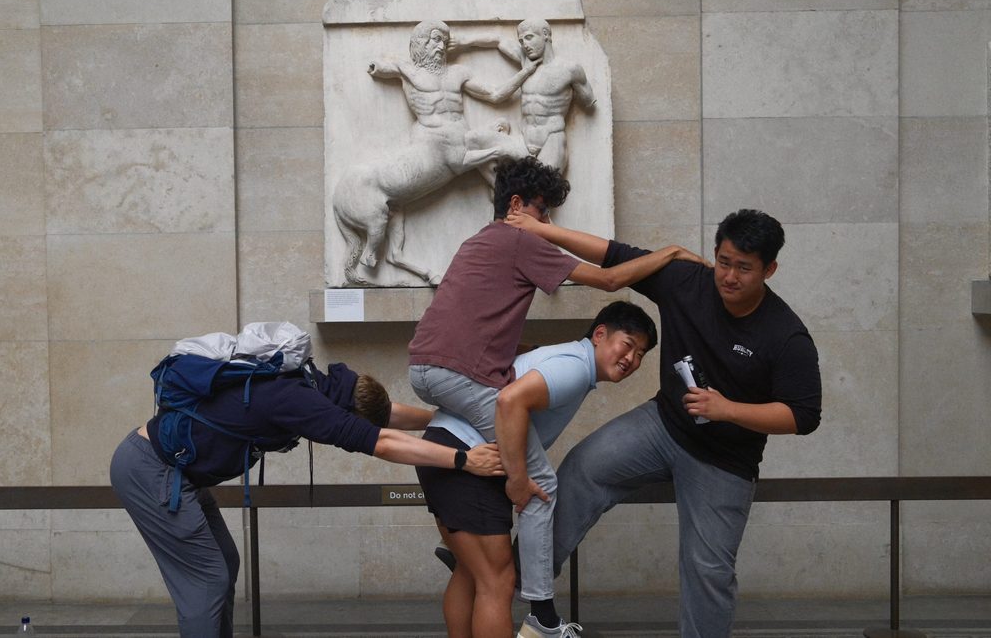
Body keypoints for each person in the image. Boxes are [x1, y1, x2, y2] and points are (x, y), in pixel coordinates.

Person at [409, 156, 709, 637]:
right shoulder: (518, 239)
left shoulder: (480, 242)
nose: (547, 224)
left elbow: (480, 323)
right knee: (540, 488)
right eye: (543, 211)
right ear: (516, 206)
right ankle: (543, 615)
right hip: (457, 378)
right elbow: (610, 279)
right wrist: (671, 253)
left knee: (476, 572)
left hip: (427, 370)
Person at [506, 208, 823, 637]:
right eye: (724, 262)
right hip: (663, 424)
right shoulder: (687, 281)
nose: (729, 276)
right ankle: (511, 577)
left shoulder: (786, 335)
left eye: (744, 268)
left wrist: (727, 408)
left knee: (707, 568)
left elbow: (803, 416)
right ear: (715, 253)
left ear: (769, 269)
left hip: (726, 459)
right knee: (583, 467)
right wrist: (540, 229)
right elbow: (610, 255)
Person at [110, 361, 502, 638]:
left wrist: (446, 422)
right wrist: (464, 459)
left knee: (223, 563)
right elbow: (380, 441)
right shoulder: (299, 400)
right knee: (208, 578)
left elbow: (387, 417)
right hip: (151, 470)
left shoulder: (329, 385)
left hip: (175, 472)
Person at [416, 302, 658, 638]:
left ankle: (542, 618)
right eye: (628, 345)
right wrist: (518, 479)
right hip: (468, 462)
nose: (632, 359)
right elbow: (510, 401)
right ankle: (543, 618)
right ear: (600, 334)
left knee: (472, 574)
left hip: (446, 452)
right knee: (497, 583)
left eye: (641, 354)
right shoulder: (574, 367)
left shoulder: (567, 360)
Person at [333, 20, 535, 285]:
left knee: (493, 135)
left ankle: (505, 201)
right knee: (490, 147)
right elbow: (379, 66)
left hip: (456, 136)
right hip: (431, 139)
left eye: (442, 40)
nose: (438, 46)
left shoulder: (458, 73)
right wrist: (377, 66)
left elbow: (496, 95)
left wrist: (526, 71)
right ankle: (369, 256)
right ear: (419, 44)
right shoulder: (406, 70)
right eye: (432, 40)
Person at [454, 18, 595, 174]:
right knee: (473, 141)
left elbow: (589, 101)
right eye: (521, 41)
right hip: (524, 140)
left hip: (551, 141)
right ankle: (497, 186)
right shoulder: (525, 61)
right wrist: (464, 42)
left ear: (546, 34)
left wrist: (578, 89)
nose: (525, 45)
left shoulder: (570, 69)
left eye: (529, 37)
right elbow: (498, 40)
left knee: (541, 190)